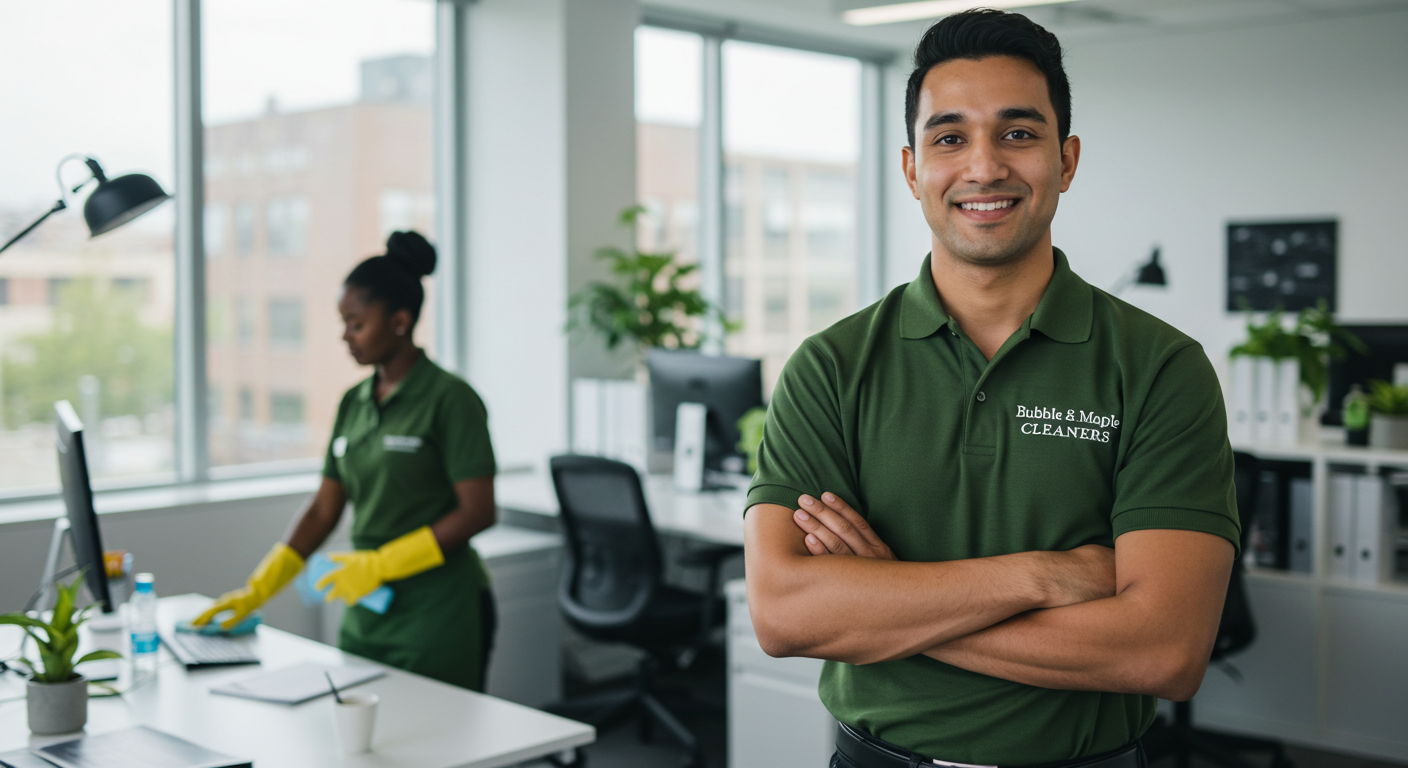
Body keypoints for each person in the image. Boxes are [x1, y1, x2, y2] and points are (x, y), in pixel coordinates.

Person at [743, 10, 1240, 768]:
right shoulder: (830, 366)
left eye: (1018, 133)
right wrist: (1044, 575)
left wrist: (885, 604)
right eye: (949, 138)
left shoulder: (1161, 368)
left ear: (1066, 161)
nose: (983, 167)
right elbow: (783, 615)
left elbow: (1163, 652)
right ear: (912, 169)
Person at [194, 231, 499, 691]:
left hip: (438, 611)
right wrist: (259, 589)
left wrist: (382, 563)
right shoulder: (353, 403)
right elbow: (324, 509)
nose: (345, 337)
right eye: (343, 323)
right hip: (368, 608)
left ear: (400, 321)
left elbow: (478, 512)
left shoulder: (451, 400)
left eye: (356, 324)